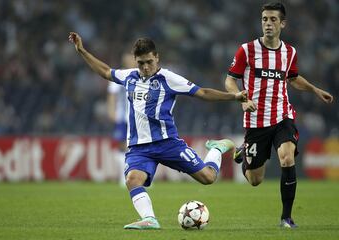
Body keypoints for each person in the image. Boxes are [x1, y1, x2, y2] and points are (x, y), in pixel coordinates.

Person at [69, 32, 247, 230]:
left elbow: (202, 92)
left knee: (208, 178)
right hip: (139, 147)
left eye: (149, 62)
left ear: (157, 58)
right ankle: (150, 219)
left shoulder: (168, 78)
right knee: (132, 179)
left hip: (167, 143)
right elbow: (105, 71)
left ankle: (218, 148)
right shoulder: (129, 76)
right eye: (140, 63)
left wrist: (234, 97)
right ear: (135, 61)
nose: (145, 67)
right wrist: (82, 51)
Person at [225, 2, 334, 228]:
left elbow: (293, 78)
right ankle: (244, 152)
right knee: (255, 180)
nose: (268, 24)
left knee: (287, 156)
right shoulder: (246, 50)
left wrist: (315, 89)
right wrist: (241, 98)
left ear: (282, 23)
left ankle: (286, 217)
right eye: (265, 19)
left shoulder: (289, 52)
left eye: (273, 19)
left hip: (282, 115)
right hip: (256, 120)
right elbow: (229, 80)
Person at [107, 53, 135, 187]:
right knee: (121, 146)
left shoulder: (141, 76)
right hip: (122, 117)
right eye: (128, 59)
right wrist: (111, 111)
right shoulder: (119, 75)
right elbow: (112, 95)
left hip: (136, 118)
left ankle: (139, 177)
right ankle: (122, 176)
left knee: (136, 147)